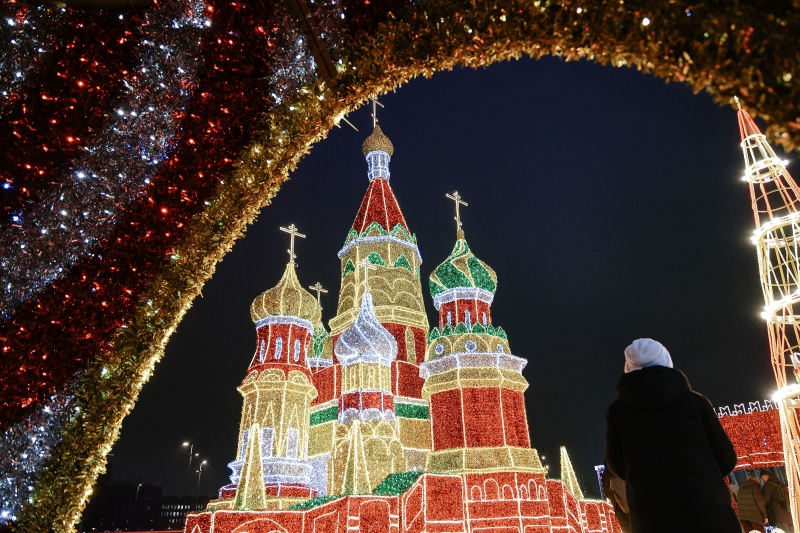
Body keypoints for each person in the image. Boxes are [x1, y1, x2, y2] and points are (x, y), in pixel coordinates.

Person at [605, 338, 741, 533]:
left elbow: (616, 465)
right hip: (708, 511)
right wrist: (702, 477)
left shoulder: (617, 412)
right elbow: (726, 458)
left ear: (629, 367)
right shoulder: (696, 403)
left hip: (651, 516)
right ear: (666, 361)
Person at [602, 463, 632, 533]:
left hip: (617, 506)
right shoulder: (622, 469)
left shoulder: (605, 474)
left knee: (626, 526)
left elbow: (607, 493)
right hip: (630, 500)